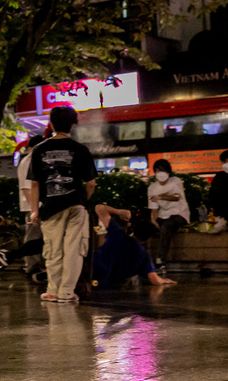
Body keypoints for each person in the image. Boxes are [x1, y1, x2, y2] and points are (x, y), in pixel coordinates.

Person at [28, 106, 97, 303]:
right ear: (73, 125)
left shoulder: (39, 149)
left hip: (50, 207)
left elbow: (34, 183)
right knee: (74, 250)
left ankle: (53, 290)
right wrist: (83, 199)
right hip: (76, 206)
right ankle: (67, 293)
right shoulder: (81, 149)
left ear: (50, 124)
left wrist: (34, 211)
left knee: (53, 250)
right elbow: (91, 183)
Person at [92, 205, 175, 287]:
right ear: (148, 237)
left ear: (133, 228)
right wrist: (164, 281)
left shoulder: (117, 234)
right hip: (109, 284)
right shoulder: (143, 255)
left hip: (92, 274)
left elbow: (99, 208)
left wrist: (119, 212)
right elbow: (154, 279)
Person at [147, 159, 190, 275]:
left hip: (179, 214)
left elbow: (176, 197)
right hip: (163, 215)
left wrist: (161, 197)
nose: (160, 173)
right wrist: (153, 221)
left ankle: (161, 261)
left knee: (166, 226)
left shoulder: (175, 181)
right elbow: (154, 208)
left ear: (168, 172)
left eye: (162, 170)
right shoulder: (152, 188)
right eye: (157, 170)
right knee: (148, 229)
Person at [17, 135, 46, 276]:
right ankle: (31, 266)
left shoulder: (33, 161)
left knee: (37, 236)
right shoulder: (27, 163)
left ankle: (36, 265)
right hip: (32, 207)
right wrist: (35, 209)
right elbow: (26, 188)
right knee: (32, 236)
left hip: (35, 206)